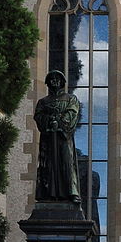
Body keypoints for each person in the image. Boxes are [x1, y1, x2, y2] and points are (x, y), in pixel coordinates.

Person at [34, 70, 82, 204]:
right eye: (52, 79)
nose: (54, 81)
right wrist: (49, 121)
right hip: (48, 139)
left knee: (66, 162)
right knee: (48, 165)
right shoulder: (43, 102)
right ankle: (48, 193)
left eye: (57, 79)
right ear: (48, 83)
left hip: (63, 137)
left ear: (62, 82)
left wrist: (60, 123)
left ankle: (71, 192)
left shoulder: (70, 99)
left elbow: (72, 113)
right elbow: (38, 116)